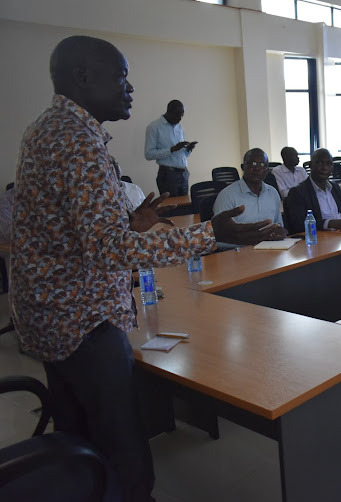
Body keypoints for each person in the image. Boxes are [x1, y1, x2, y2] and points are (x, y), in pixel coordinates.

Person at [11, 35, 282, 502]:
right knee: (120, 438)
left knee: (79, 433)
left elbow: (75, 229)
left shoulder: (47, 127)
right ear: (83, 78)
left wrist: (128, 223)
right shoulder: (77, 141)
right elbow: (108, 250)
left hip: (52, 316)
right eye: (121, 76)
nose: (130, 88)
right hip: (83, 319)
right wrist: (210, 235)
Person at [213, 148, 286, 237]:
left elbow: (278, 226)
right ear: (243, 167)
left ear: (267, 170)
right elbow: (220, 236)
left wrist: (279, 233)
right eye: (252, 164)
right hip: (239, 249)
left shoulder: (273, 193)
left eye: (262, 165)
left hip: (270, 248)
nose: (257, 168)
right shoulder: (227, 195)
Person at [285, 148, 341, 234]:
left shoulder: (335, 188)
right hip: (316, 240)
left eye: (328, 164)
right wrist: (329, 223)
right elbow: (299, 225)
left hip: (340, 237)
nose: (324, 168)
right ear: (310, 165)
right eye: (319, 163)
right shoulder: (298, 192)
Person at [145, 99, 196, 196]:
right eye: (177, 114)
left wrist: (188, 150)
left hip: (184, 174)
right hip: (168, 175)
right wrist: (171, 149)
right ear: (169, 111)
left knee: (184, 208)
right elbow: (148, 154)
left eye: (182, 115)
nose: (180, 118)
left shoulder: (179, 128)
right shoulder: (154, 127)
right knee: (171, 209)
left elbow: (181, 154)